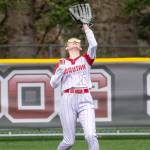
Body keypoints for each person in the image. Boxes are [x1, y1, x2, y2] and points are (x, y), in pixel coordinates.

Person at [50, 24, 99, 150]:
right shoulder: (62, 63)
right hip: (68, 99)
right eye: (71, 42)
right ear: (67, 47)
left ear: (80, 47)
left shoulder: (86, 59)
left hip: (85, 98)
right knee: (68, 141)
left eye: (77, 42)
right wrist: (61, 69)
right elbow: (53, 84)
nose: (74, 42)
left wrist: (87, 29)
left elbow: (93, 45)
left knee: (91, 135)